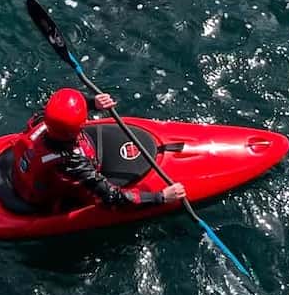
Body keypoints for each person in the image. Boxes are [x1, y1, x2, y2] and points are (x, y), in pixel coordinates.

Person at [11, 88, 186, 210]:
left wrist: (92, 102)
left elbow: (61, 112)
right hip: (46, 197)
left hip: (22, 176)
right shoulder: (72, 162)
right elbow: (113, 198)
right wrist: (161, 197)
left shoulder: (41, 120)